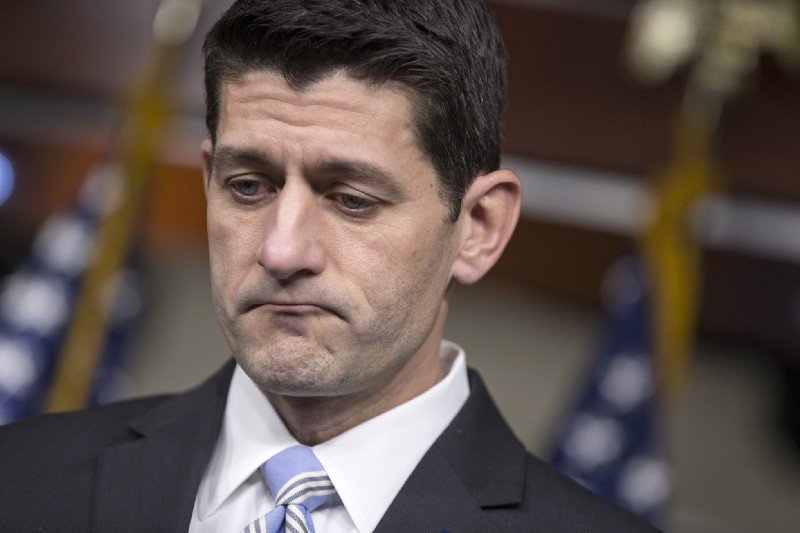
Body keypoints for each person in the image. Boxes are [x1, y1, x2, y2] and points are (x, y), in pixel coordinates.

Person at [0, 1, 658, 531]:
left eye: (352, 199)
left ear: (478, 228)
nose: (281, 251)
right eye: (248, 186)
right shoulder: (19, 481)